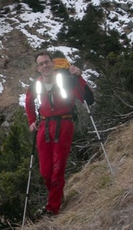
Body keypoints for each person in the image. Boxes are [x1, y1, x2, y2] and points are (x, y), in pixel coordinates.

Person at [25, 51, 94, 215]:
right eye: (41, 64)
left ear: (53, 63)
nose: (45, 66)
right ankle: (57, 197)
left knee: (58, 168)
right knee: (45, 172)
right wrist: (31, 121)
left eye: (47, 62)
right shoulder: (37, 84)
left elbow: (88, 98)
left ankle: (53, 207)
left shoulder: (67, 80)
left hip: (64, 124)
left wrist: (78, 77)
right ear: (38, 68)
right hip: (44, 127)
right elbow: (28, 102)